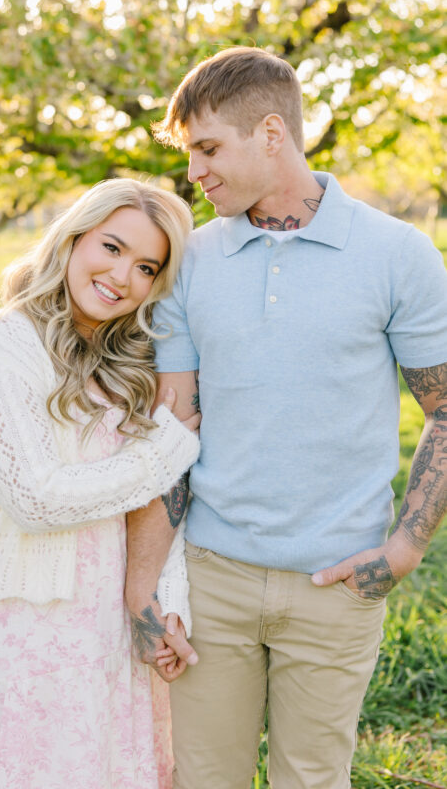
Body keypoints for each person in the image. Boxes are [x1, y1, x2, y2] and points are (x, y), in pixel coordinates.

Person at [124, 46, 447, 789]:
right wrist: (144, 584)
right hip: (210, 578)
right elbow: (173, 433)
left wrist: (401, 549)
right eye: (187, 154)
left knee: (312, 779)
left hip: (335, 583)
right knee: (206, 779)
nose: (194, 172)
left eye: (208, 148)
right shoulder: (188, 263)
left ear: (271, 134)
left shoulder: (398, 254)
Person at [0, 178, 201, 789]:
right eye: (110, 247)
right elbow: (34, 498)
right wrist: (163, 452)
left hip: (111, 612)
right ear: (74, 238)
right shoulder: (7, 345)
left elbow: (161, 499)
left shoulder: (129, 354)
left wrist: (169, 602)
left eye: (146, 266)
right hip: (26, 614)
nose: (121, 276)